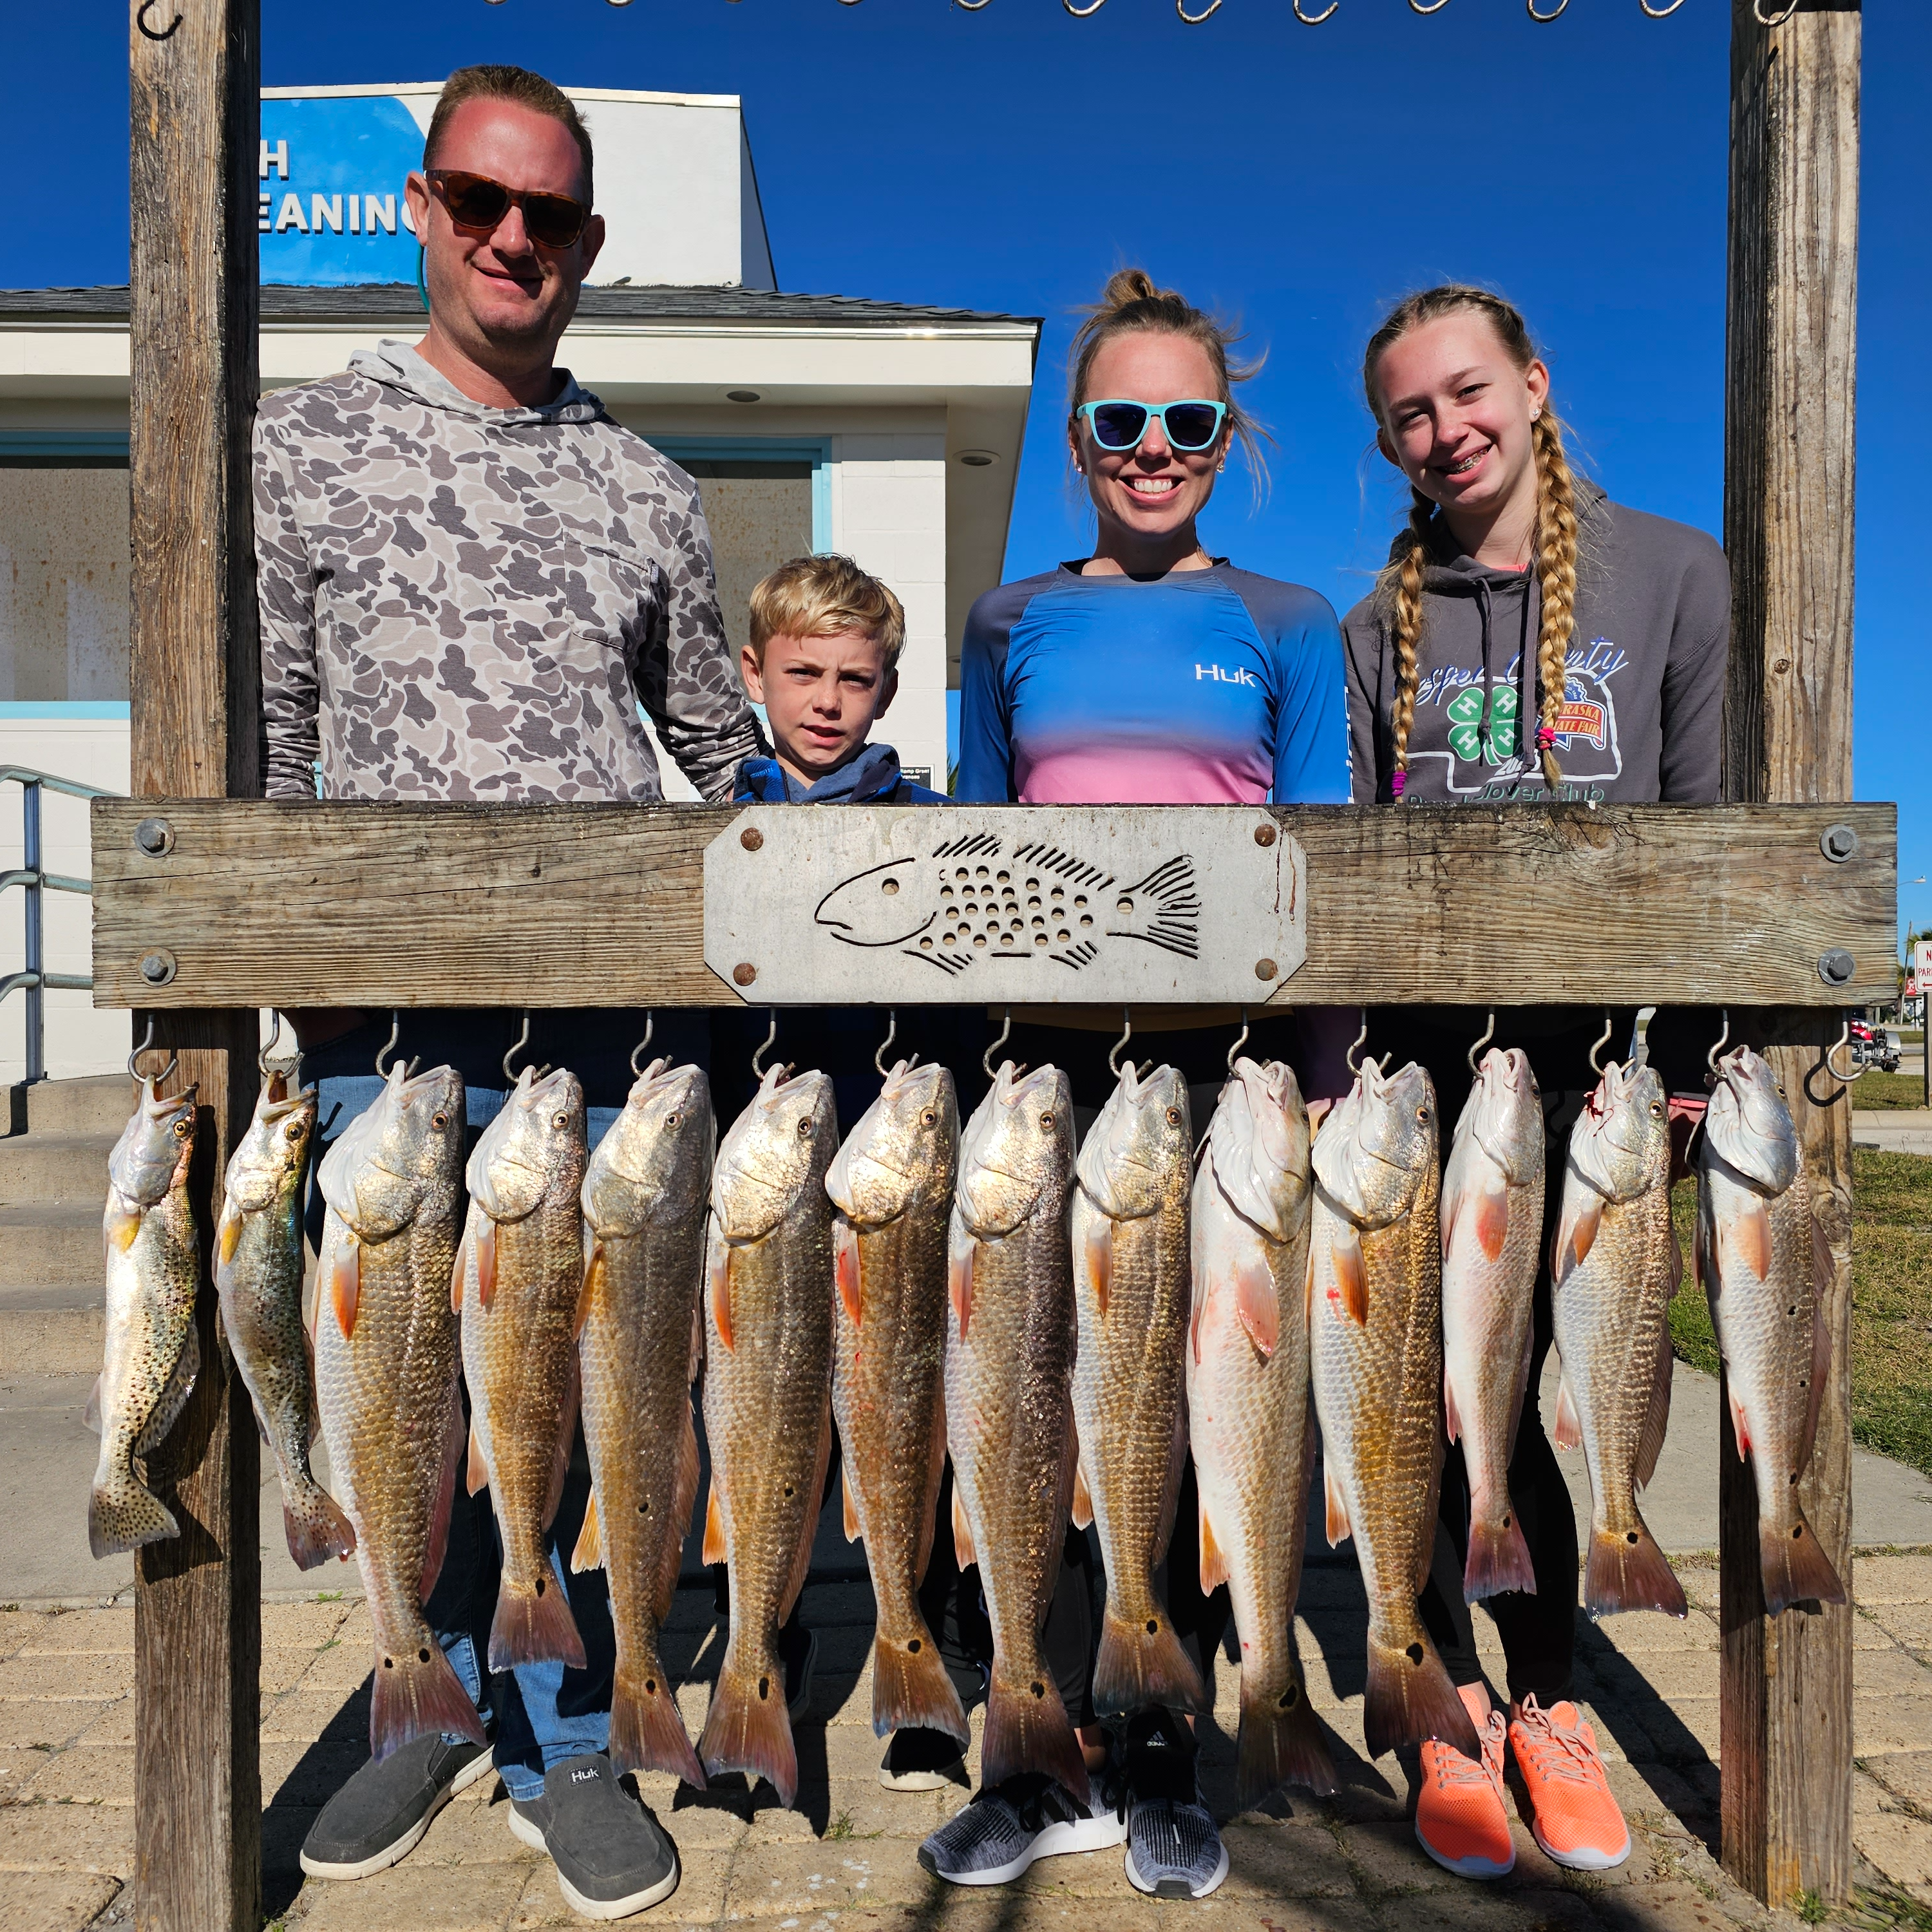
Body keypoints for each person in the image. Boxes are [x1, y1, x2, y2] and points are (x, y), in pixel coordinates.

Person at [260, 64, 763, 1922]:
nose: (509, 238)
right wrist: (269, 1010)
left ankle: (560, 1731)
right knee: (407, 1392)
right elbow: (276, 743)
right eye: (478, 199)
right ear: (420, 206)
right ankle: (419, 1692)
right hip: (379, 1038)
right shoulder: (302, 445)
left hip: (587, 1046)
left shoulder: (647, 485)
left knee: (565, 1384)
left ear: (590, 246)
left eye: (547, 214)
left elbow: (719, 761)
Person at [926, 269, 1351, 1904]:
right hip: (1040, 1081)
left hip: (1222, 1074)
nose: (1155, 446)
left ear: (1224, 438)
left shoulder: (1286, 623)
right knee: (1024, 1395)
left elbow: (1326, 879)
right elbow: (973, 866)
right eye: (1122, 420)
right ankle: (1032, 1750)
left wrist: (1314, 1090)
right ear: (1078, 443)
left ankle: (1165, 1750)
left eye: (1189, 420)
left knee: (1181, 1400)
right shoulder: (1008, 620)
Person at [1341, 283, 1728, 1882]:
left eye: (1468, 392)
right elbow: (1353, 876)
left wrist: (1700, 1060)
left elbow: (1714, 821)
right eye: (1412, 414)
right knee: (1420, 1395)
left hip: (1599, 1068)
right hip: (1429, 1065)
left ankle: (1555, 1692)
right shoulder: (1377, 631)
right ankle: (1438, 1703)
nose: (1447, 431)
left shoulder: (1675, 572)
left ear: (1535, 385)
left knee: (1562, 1392)